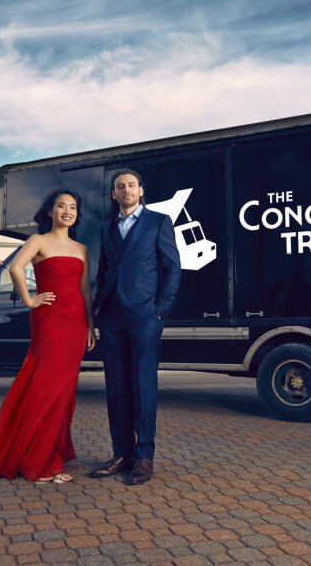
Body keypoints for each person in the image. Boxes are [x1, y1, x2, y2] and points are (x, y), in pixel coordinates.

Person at [0, 190, 96, 484]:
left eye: (72, 207)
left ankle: (49, 454)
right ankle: (38, 462)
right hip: (49, 319)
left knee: (65, 392)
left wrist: (90, 325)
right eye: (61, 206)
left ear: (76, 214)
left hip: (75, 322)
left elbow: (84, 290)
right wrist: (29, 299)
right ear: (50, 211)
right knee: (45, 387)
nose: (67, 211)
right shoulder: (38, 241)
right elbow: (16, 268)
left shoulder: (82, 249)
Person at [88, 169, 181, 485]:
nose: (125, 190)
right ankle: (121, 454)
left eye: (131, 185)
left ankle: (144, 457)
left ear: (141, 190)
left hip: (144, 315)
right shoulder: (107, 227)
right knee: (116, 386)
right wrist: (99, 308)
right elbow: (104, 270)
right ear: (114, 194)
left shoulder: (158, 222)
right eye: (119, 186)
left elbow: (172, 268)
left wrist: (159, 310)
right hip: (112, 316)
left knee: (143, 385)